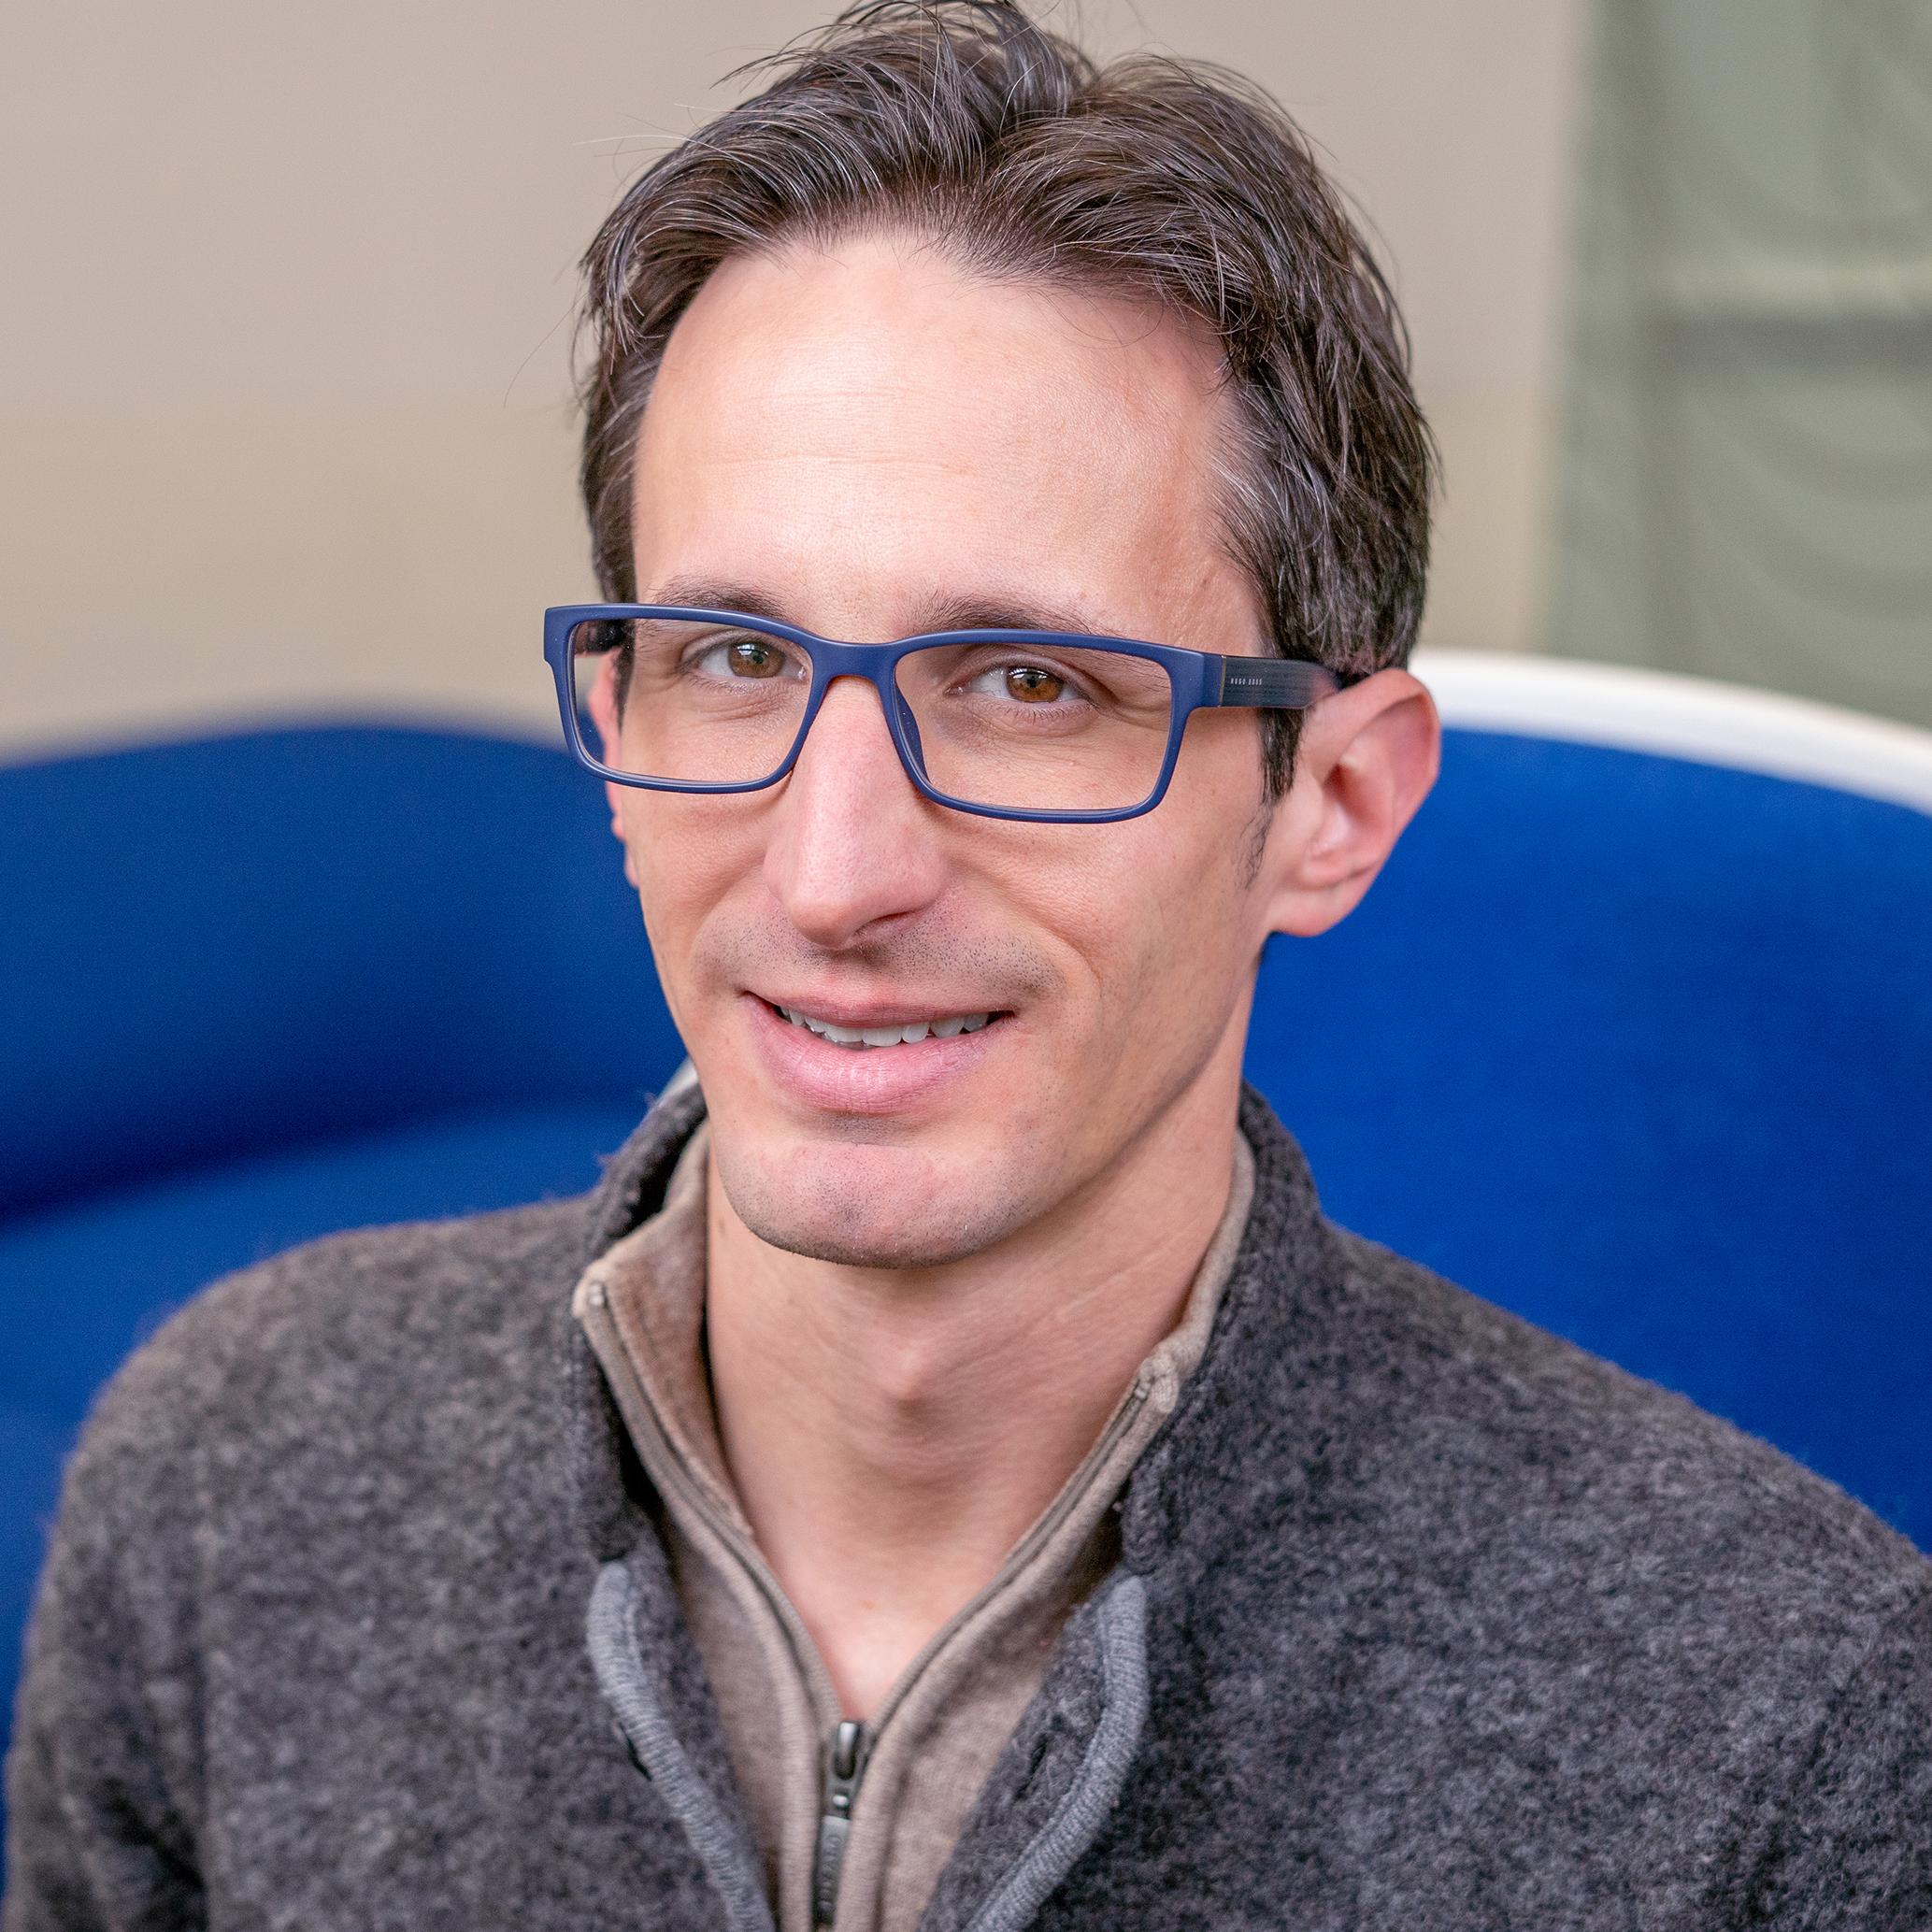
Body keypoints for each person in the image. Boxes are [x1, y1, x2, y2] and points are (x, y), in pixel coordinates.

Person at [7, 3, 1930, 1926]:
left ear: (1332, 802)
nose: (835, 872)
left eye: (1027, 685)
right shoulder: (229, 1485)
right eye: (733, 659)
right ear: (611, 726)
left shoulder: (1788, 1731)